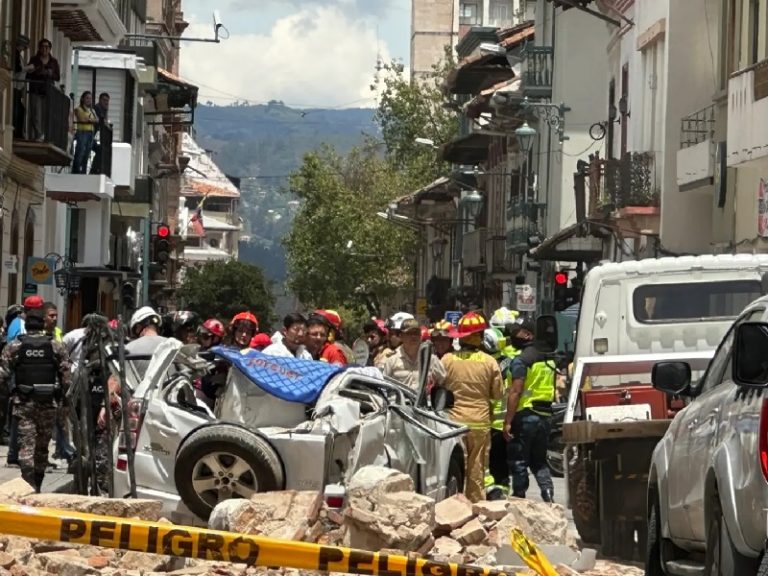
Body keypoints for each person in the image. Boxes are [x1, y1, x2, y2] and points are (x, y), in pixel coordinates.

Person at [0, 309, 71, 491]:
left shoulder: (15, 346)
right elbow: (66, 378)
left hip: (24, 404)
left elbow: (3, 375)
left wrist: (8, 395)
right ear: (42, 324)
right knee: (42, 448)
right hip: (48, 404)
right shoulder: (56, 346)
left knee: (26, 447)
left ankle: (28, 484)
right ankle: (36, 485)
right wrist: (63, 399)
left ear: (27, 325)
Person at [441, 312, 504, 502]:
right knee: (477, 469)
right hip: (480, 423)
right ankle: (476, 509)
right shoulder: (489, 362)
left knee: (456, 468)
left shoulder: (447, 360)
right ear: (479, 337)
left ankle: (454, 507)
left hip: (454, 424)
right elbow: (498, 394)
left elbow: (437, 387)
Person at [503, 318, 557, 503]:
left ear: (528, 334)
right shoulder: (548, 358)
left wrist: (508, 421)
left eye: (515, 333)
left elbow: (516, 391)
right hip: (545, 415)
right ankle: (548, 494)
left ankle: (519, 498)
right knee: (539, 461)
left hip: (526, 415)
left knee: (519, 460)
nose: (512, 337)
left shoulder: (522, 360)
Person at [380, 318, 445, 392]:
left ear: (420, 336)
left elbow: (443, 381)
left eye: (416, 333)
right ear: (401, 336)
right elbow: (384, 386)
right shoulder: (392, 360)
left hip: (423, 402)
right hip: (399, 402)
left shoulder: (430, 359)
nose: (413, 336)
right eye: (409, 333)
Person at [26, 38, 60, 141]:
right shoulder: (34, 59)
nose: (45, 49)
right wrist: (35, 70)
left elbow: (57, 77)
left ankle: (45, 134)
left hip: (48, 91)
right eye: (43, 47)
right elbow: (28, 74)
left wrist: (50, 73)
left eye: (47, 47)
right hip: (35, 89)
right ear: (39, 48)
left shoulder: (54, 62)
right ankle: (38, 134)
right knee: (35, 113)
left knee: (46, 114)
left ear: (50, 49)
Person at [12, 35, 33, 139]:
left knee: (20, 109)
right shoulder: (14, 54)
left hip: (18, 87)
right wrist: (28, 68)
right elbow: (17, 68)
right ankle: (16, 133)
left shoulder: (18, 55)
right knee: (17, 110)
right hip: (14, 86)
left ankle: (18, 132)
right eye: (24, 47)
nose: (24, 49)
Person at [72, 91, 98, 174]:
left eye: (90, 98)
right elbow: (83, 119)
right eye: (87, 98)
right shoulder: (79, 109)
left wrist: (91, 120)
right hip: (82, 132)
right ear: (82, 99)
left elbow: (96, 120)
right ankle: (76, 171)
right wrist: (91, 120)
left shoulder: (92, 110)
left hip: (90, 133)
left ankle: (83, 171)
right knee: (80, 152)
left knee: (87, 153)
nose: (89, 100)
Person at [90, 92, 110, 175]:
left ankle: (95, 169)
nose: (106, 102)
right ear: (100, 100)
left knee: (100, 150)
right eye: (104, 100)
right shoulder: (97, 108)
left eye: (107, 101)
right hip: (89, 134)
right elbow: (101, 121)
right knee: (99, 150)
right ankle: (94, 170)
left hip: (93, 136)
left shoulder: (104, 110)